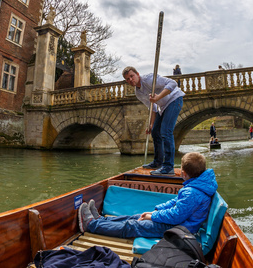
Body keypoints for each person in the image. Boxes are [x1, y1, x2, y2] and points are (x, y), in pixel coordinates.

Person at [78, 152, 218, 238]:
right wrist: (156, 210)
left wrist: (153, 216)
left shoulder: (193, 193)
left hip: (178, 229)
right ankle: (101, 221)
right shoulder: (197, 186)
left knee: (133, 226)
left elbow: (176, 216)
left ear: (184, 174)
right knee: (136, 217)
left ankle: (91, 225)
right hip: (178, 224)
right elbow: (175, 202)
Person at [122, 66, 185, 176]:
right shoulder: (138, 93)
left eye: (132, 76)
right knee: (155, 131)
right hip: (163, 107)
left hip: (174, 99)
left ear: (137, 74)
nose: (131, 80)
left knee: (166, 131)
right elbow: (152, 108)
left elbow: (173, 83)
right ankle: (157, 163)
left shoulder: (149, 79)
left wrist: (158, 97)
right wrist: (151, 124)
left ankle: (168, 167)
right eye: (127, 79)